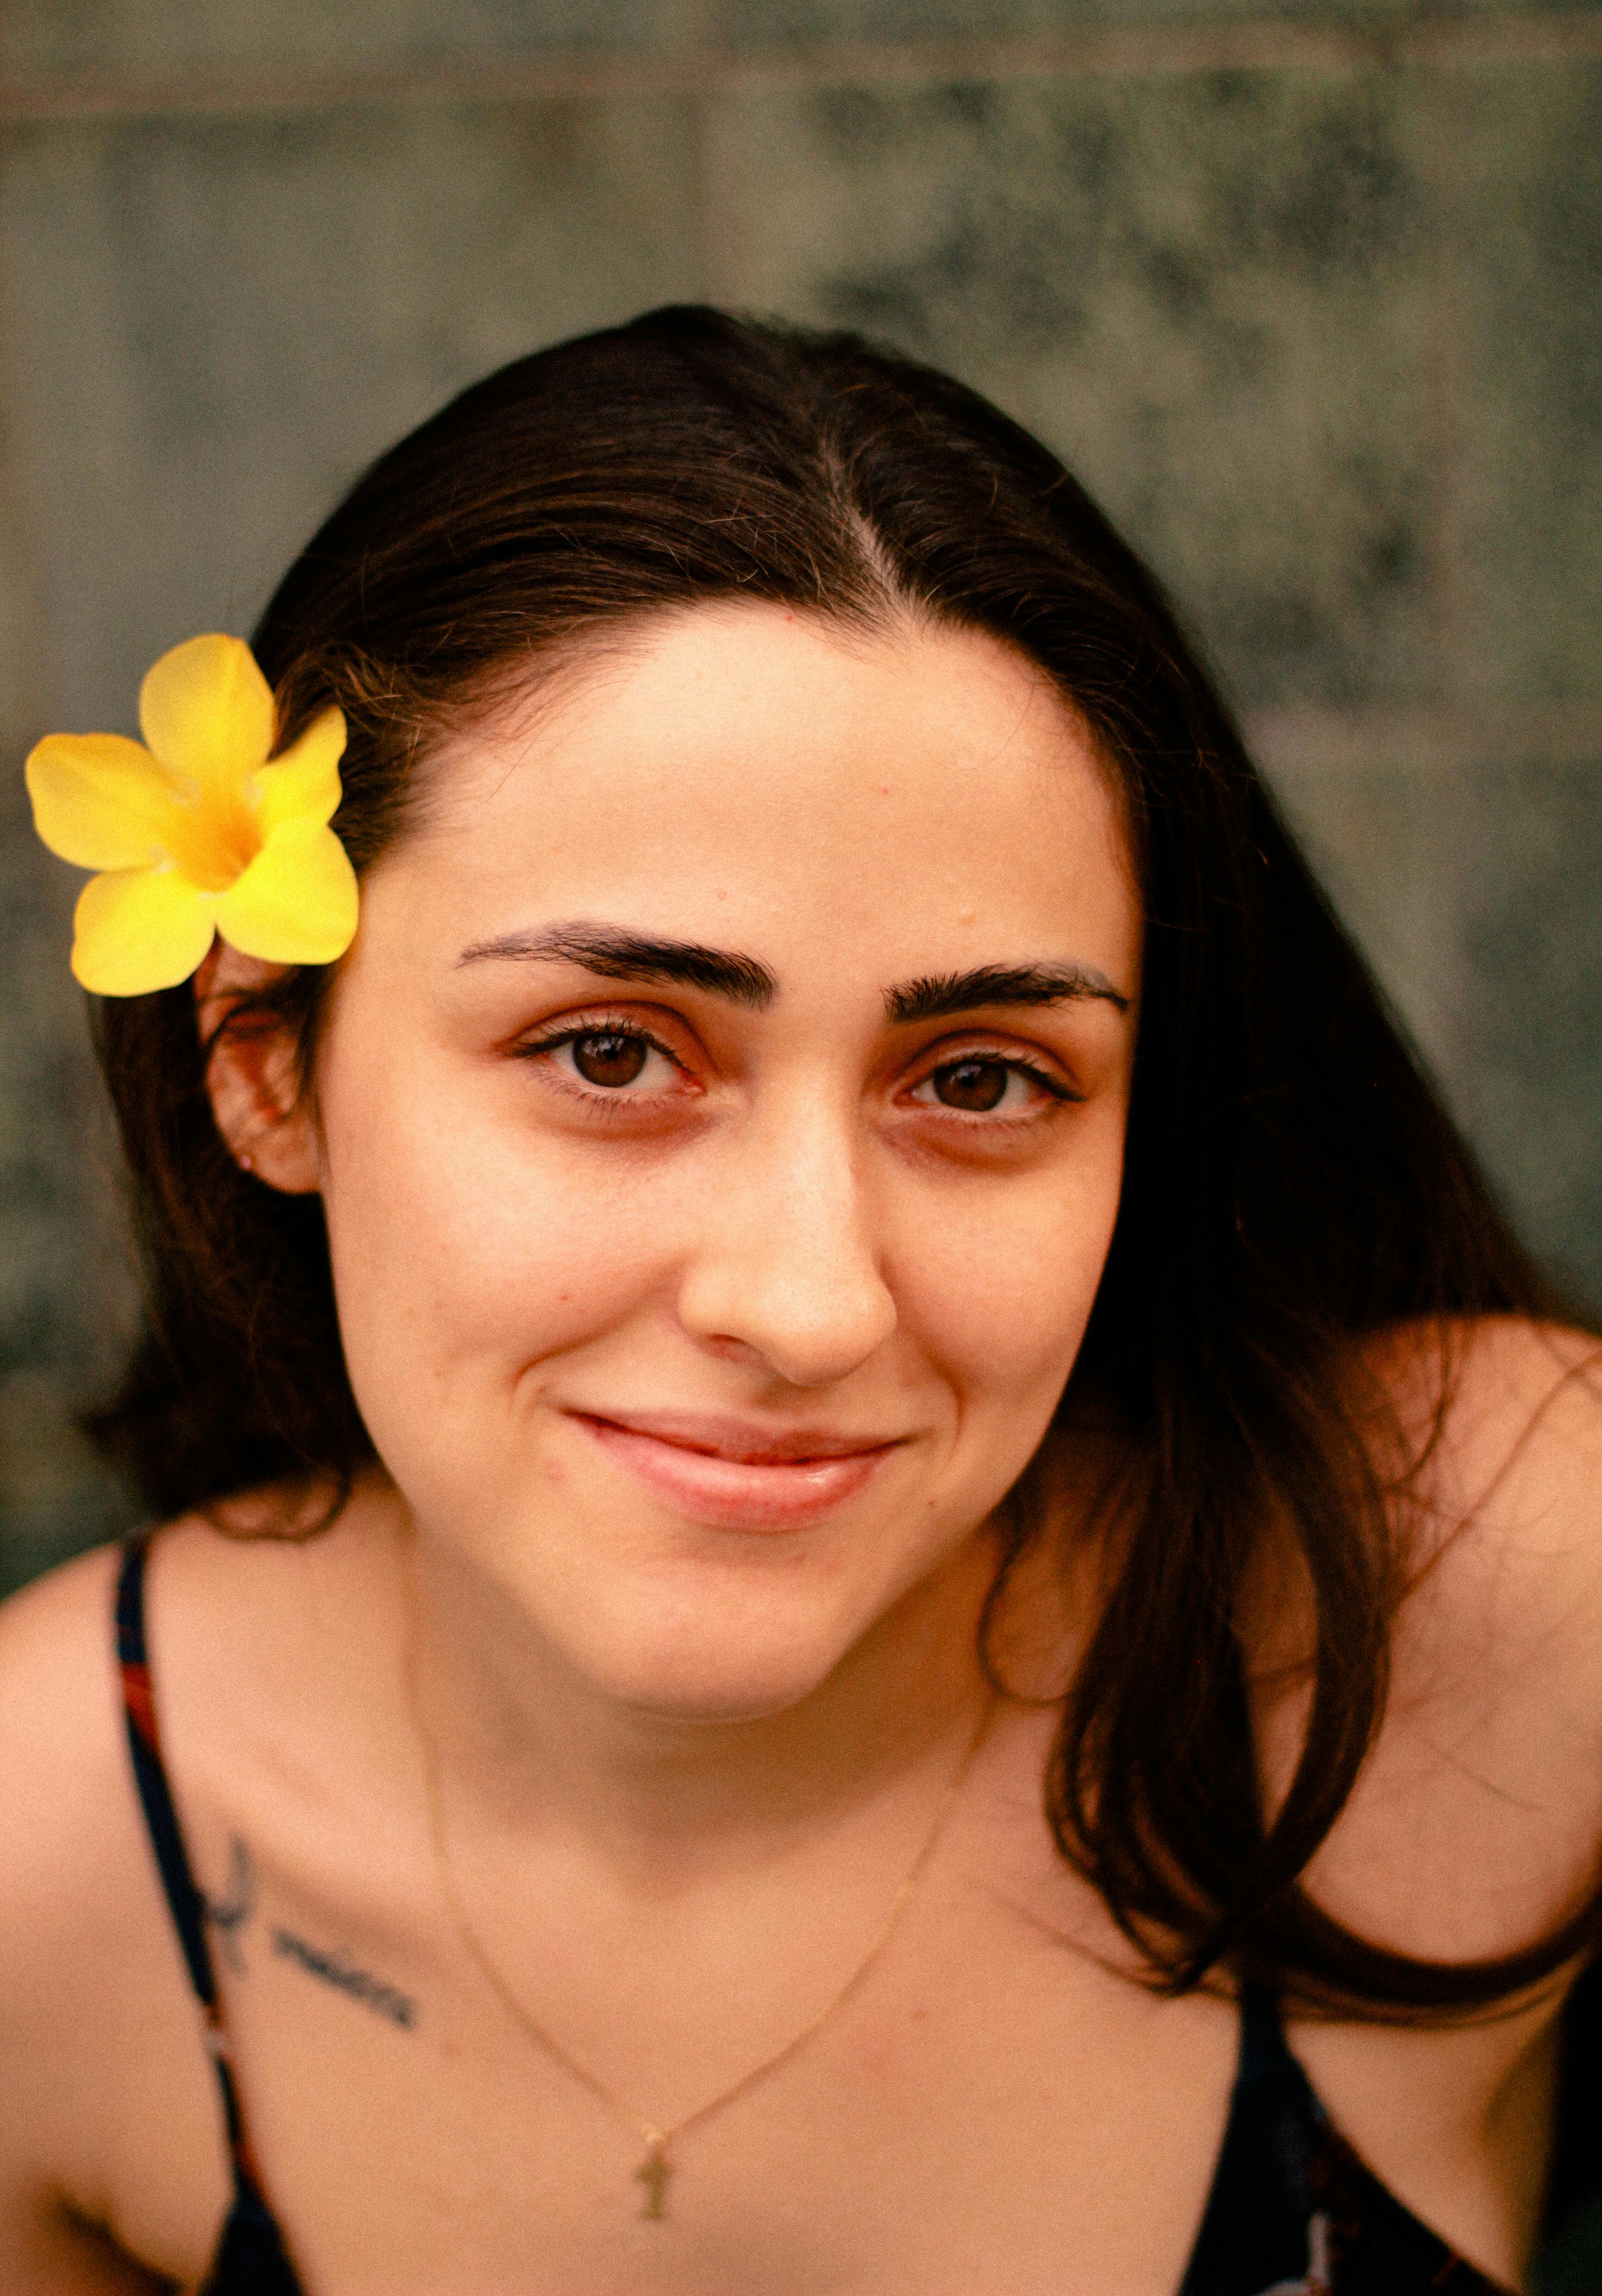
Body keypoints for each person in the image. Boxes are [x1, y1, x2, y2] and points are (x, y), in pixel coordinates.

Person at [2, 306, 1598, 2296]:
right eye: (609, 1053)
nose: (810, 1298)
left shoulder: (1481, 1602)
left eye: (984, 1080)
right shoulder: (45, 1868)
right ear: (266, 1063)